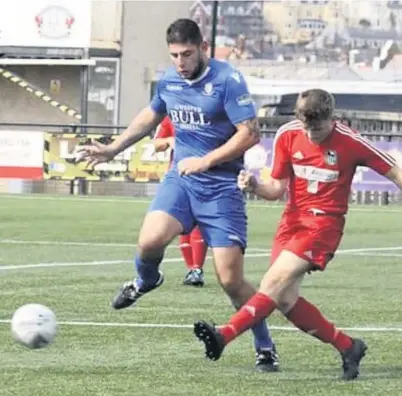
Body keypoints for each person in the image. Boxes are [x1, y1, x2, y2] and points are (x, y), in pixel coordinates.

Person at [80, 18, 279, 372]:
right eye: (174, 55)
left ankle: (265, 345)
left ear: (203, 48)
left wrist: (207, 160)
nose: (180, 62)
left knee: (231, 280)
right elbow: (151, 115)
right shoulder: (171, 79)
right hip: (182, 181)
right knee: (149, 240)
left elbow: (249, 133)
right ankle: (146, 279)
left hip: (221, 188)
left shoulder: (227, 80)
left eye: (187, 54)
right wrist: (113, 149)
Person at [193, 88, 402, 380]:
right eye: (306, 126)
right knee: (284, 299)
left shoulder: (352, 142)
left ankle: (223, 335)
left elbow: (395, 172)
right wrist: (254, 185)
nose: (312, 133)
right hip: (291, 222)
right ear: (298, 119)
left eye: (317, 128)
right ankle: (348, 346)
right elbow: (276, 189)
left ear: (333, 118)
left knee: (272, 282)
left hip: (324, 225)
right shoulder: (288, 135)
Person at [154, 116, 207, 287]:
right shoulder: (171, 116)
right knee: (182, 222)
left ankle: (197, 269)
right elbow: (157, 144)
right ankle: (192, 268)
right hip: (178, 175)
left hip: (204, 174)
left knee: (199, 223)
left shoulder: (205, 113)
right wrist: (170, 140)